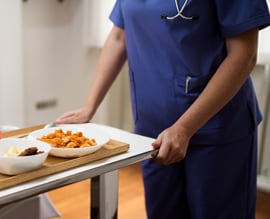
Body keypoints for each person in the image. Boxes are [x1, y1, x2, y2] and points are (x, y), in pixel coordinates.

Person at [55, 1, 270, 218]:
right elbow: (119, 36)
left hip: (215, 129)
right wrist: (89, 106)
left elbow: (244, 54)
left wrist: (184, 128)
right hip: (153, 131)